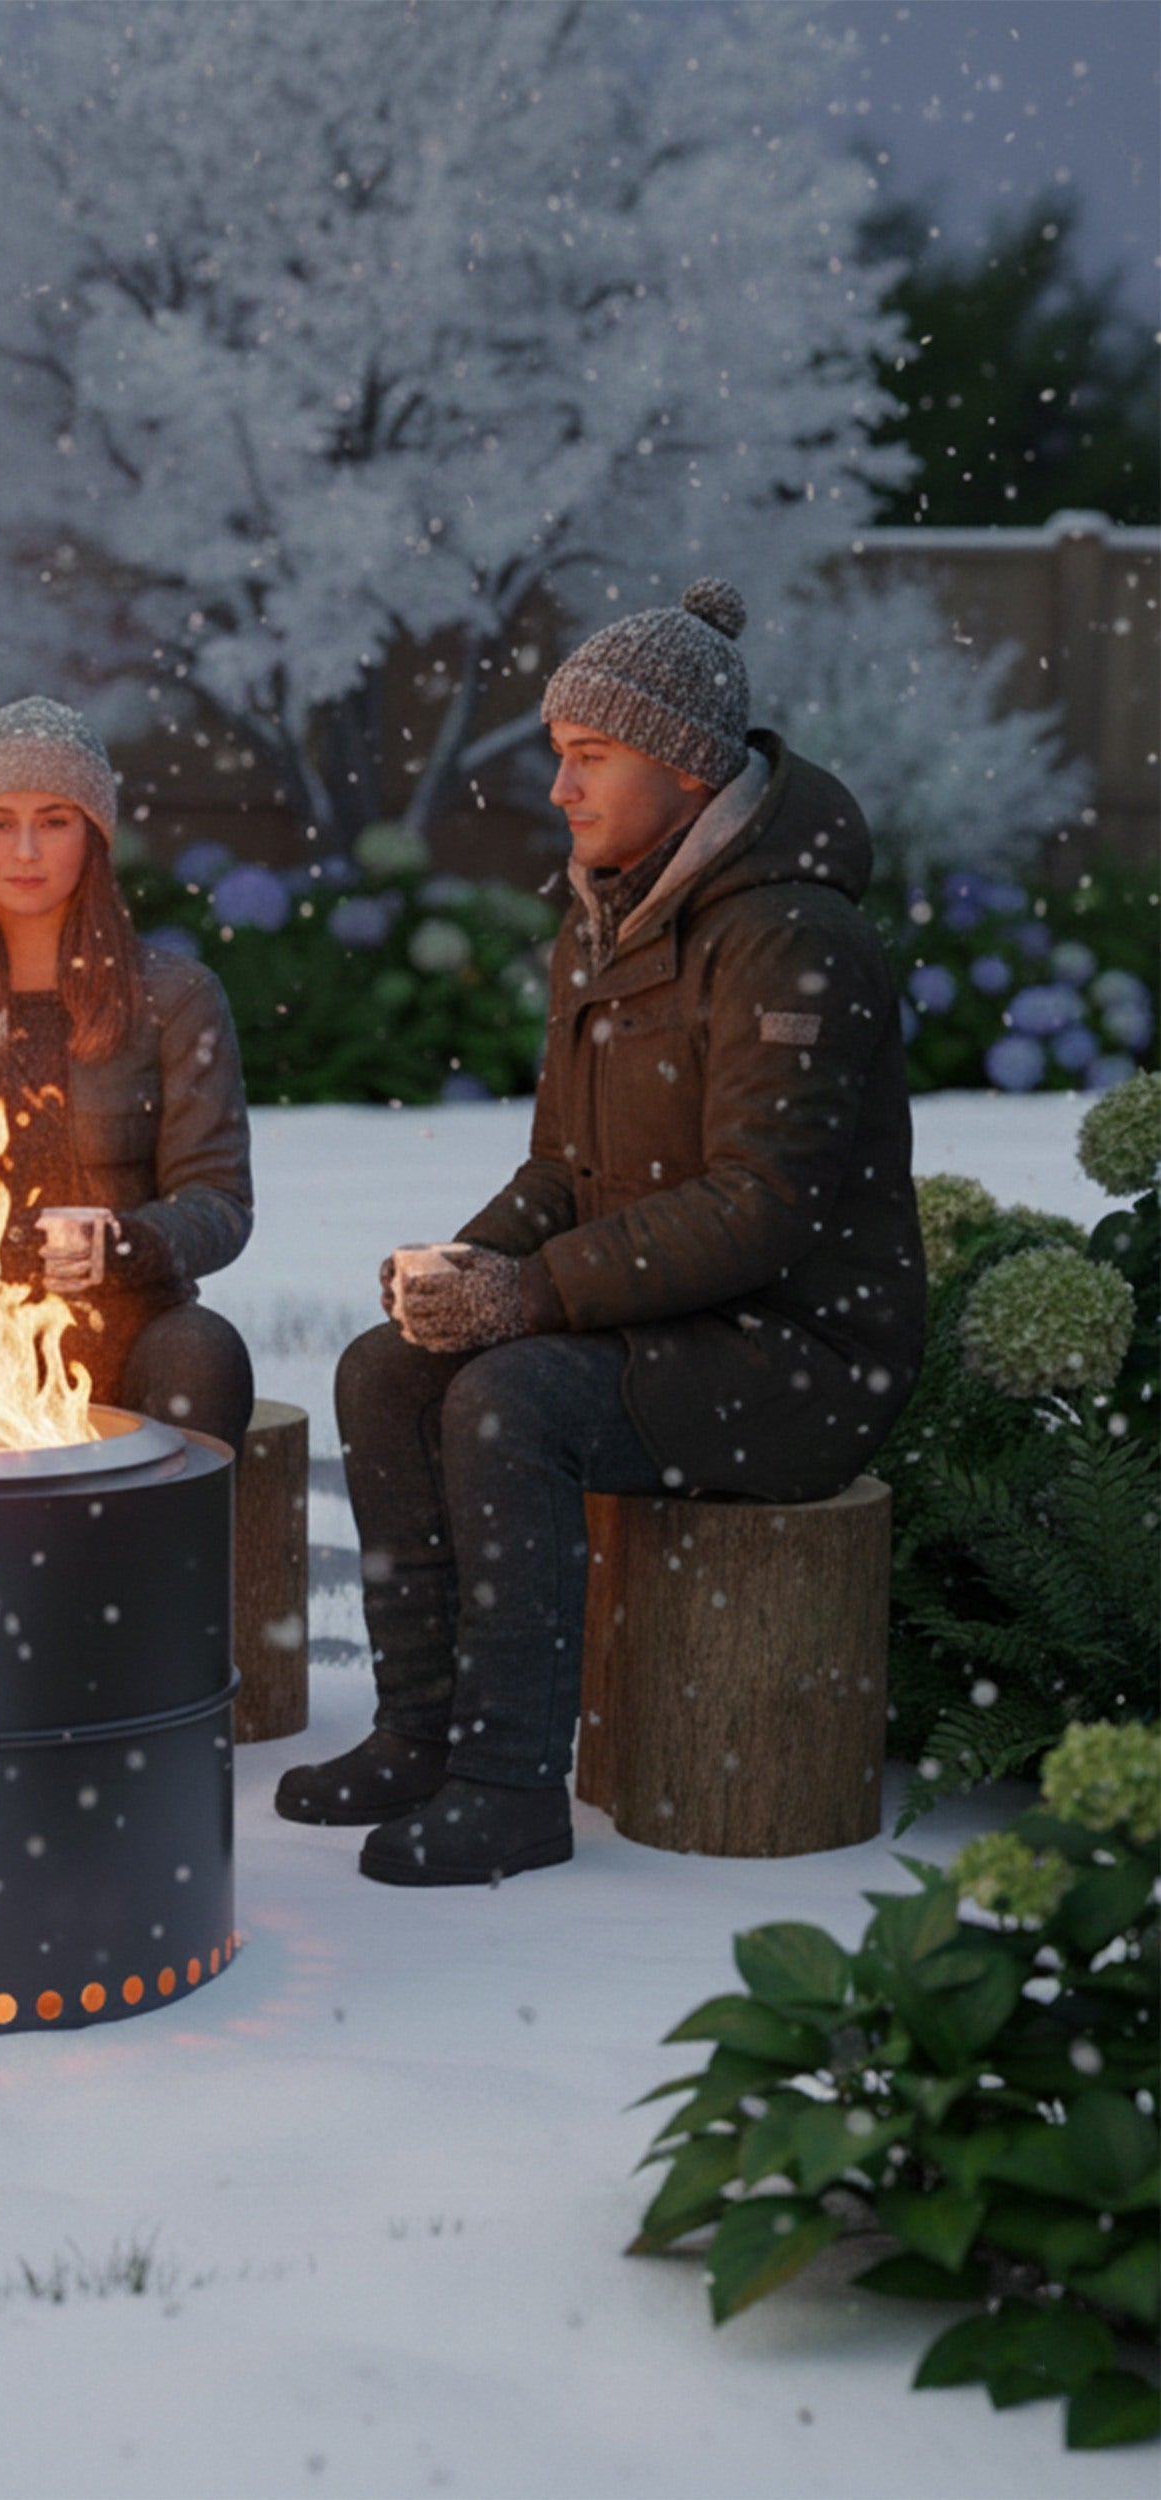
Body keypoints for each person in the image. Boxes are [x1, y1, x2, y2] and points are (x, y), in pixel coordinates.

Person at [276, 580, 923, 1885]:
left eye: (589, 758)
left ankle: (508, 1786)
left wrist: (528, 1303)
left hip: (795, 1354)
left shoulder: (793, 936)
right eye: (559, 755)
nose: (560, 788)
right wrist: (463, 1269)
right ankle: (420, 1736)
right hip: (658, 1320)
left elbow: (763, 1209)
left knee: (511, 1398)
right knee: (385, 1371)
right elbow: (562, 1168)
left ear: (686, 769)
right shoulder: (606, 918)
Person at [0, 697, 255, 1449]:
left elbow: (219, 1199)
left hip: (138, 1329)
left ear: (95, 835)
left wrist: (126, 1244)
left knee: (204, 1353)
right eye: (0, 823)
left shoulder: (176, 997)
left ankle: (160, 1568)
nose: (26, 850)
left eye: (55, 820)